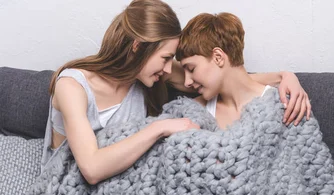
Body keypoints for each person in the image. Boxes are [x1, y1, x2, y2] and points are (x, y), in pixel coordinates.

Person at [43, 0, 311, 184]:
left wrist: (284, 77)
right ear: (138, 47)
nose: (170, 68)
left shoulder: (150, 74)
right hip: (72, 194)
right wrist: (160, 128)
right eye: (166, 57)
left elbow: (228, 77)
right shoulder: (73, 87)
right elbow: (90, 169)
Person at [176, 12, 311, 131]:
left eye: (191, 69)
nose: (187, 82)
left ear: (218, 57)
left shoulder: (285, 106)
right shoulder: (192, 112)